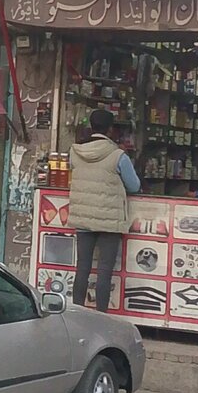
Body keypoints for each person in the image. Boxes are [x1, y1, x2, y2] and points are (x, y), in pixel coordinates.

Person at [69, 110, 141, 312]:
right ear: (111, 130)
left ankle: (77, 313)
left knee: (82, 268)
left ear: (91, 127)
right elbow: (134, 186)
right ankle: (101, 316)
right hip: (109, 220)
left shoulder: (75, 152)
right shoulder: (118, 156)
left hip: (83, 218)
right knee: (104, 270)